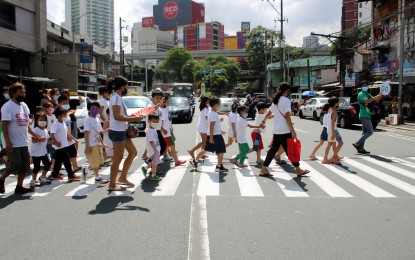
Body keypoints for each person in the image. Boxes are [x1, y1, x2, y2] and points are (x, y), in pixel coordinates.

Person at [0, 83, 44, 194]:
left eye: (24, 92)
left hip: (23, 141)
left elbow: (26, 124)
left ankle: (19, 187)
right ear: (14, 93)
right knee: (15, 164)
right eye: (21, 92)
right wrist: (8, 142)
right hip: (11, 142)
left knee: (25, 166)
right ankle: (1, 179)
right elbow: (4, 126)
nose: (23, 94)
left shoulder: (24, 105)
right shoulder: (8, 106)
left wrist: (35, 135)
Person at [259, 82, 310, 177]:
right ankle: (298, 169)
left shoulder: (276, 100)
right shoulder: (286, 101)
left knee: (273, 150)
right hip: (284, 130)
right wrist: (293, 130)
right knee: (289, 149)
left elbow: (269, 113)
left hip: (277, 130)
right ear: (287, 90)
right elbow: (287, 116)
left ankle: (263, 169)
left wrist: (263, 121)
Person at [107, 76, 143, 191]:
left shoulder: (117, 97)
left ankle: (122, 177)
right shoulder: (116, 98)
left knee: (133, 152)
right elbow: (117, 116)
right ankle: (112, 185)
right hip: (117, 131)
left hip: (122, 130)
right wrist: (134, 119)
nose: (127, 87)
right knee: (117, 158)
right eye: (126, 85)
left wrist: (132, 117)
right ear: (122, 86)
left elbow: (120, 115)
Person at [190, 97, 228, 172]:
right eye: (219, 104)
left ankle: (195, 161)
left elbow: (214, 125)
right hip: (215, 136)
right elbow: (211, 126)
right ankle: (219, 166)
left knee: (206, 149)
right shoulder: (213, 114)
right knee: (220, 151)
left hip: (213, 135)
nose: (220, 106)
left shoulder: (211, 112)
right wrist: (211, 138)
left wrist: (219, 131)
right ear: (216, 105)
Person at [82, 102, 109, 184]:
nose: (95, 110)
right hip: (91, 145)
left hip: (98, 144)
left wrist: (103, 143)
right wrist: (87, 146)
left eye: (97, 108)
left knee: (98, 162)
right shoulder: (87, 119)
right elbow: (86, 133)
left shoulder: (97, 119)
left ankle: (86, 169)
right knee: (96, 164)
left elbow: (100, 132)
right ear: (89, 109)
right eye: (93, 108)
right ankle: (97, 178)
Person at [352, 81, 383, 154]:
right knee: (370, 132)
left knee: (364, 133)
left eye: (366, 85)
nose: (366, 86)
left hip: (367, 115)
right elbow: (366, 101)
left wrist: (380, 96)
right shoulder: (361, 94)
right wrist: (376, 96)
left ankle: (361, 149)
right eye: (364, 85)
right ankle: (357, 143)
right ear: (361, 87)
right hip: (363, 115)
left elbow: (375, 101)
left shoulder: (367, 94)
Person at [50, 107, 80, 180]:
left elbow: (66, 133)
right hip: (59, 146)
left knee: (58, 161)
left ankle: (55, 174)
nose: (66, 116)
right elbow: (52, 135)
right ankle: (70, 174)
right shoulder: (56, 124)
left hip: (64, 145)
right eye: (64, 115)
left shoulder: (63, 123)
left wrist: (74, 139)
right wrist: (56, 142)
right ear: (59, 116)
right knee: (66, 160)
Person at [160, 95, 186, 166]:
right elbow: (160, 122)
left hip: (168, 131)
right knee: (172, 145)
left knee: (166, 145)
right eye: (168, 101)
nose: (169, 102)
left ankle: (166, 155)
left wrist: (171, 128)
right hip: (165, 133)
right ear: (164, 102)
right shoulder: (162, 111)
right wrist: (163, 129)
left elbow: (168, 120)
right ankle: (176, 161)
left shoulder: (166, 109)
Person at [57, 95, 80, 172]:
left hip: (68, 137)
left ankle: (75, 167)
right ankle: (55, 172)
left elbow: (68, 127)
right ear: (60, 103)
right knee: (59, 157)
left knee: (72, 151)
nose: (67, 104)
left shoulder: (67, 114)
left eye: (67, 102)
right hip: (61, 139)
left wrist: (71, 137)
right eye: (65, 102)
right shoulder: (57, 114)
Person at [30, 113, 52, 187]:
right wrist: (40, 139)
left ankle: (43, 177)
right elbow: (33, 141)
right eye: (41, 120)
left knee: (47, 164)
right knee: (37, 167)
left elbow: (47, 140)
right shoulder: (35, 130)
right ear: (36, 121)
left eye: (44, 120)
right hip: (36, 152)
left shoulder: (45, 130)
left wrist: (54, 143)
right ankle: (33, 180)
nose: (43, 122)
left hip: (43, 151)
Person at [141, 114, 163, 181]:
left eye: (157, 122)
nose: (155, 123)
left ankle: (145, 168)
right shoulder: (150, 131)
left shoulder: (152, 129)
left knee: (153, 162)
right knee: (155, 164)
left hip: (155, 149)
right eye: (154, 121)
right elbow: (151, 141)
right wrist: (155, 150)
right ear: (149, 121)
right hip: (154, 150)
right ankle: (153, 175)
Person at [322, 97, 343, 164]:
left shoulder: (329, 110)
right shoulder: (333, 112)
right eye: (337, 102)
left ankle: (330, 158)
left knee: (330, 144)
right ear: (335, 103)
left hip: (330, 130)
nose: (338, 104)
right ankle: (333, 157)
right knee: (340, 143)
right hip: (333, 130)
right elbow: (333, 123)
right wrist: (333, 134)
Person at [147, 90, 167, 158]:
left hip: (157, 129)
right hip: (152, 130)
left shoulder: (159, 108)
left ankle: (152, 162)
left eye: (160, 98)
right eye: (157, 98)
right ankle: (151, 162)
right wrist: (159, 104)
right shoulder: (150, 106)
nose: (159, 100)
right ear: (153, 98)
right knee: (161, 147)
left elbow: (158, 120)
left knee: (161, 147)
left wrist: (162, 128)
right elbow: (151, 111)